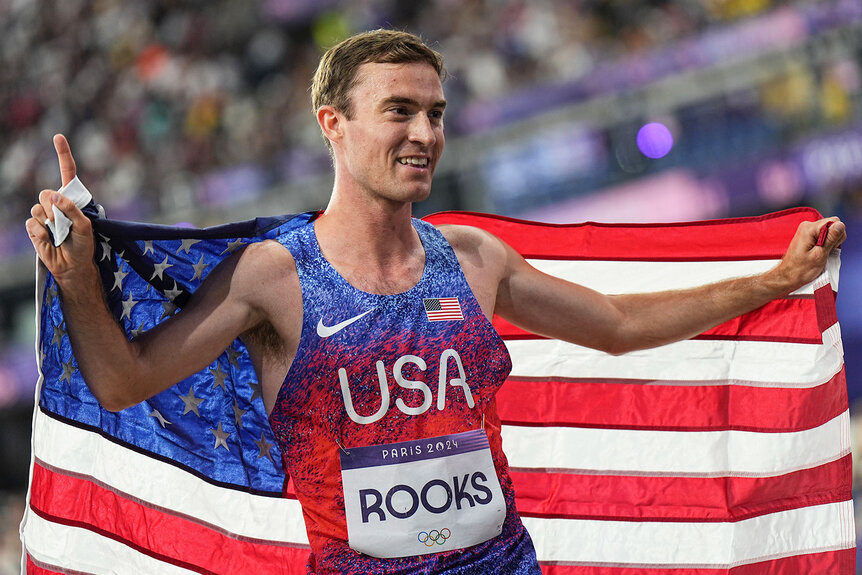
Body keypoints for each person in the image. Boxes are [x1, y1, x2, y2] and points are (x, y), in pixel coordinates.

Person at [25, 29, 845, 574]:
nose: (425, 132)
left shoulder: (474, 260)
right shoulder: (271, 275)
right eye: (400, 111)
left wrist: (771, 282)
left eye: (436, 113)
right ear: (333, 124)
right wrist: (76, 277)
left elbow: (621, 328)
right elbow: (126, 382)